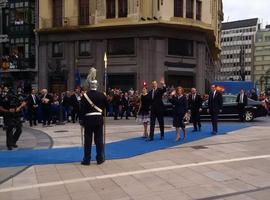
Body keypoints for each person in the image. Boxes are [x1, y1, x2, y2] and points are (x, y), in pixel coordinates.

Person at [80, 67, 108, 165]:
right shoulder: (102, 95)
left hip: (88, 120)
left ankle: (86, 159)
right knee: (99, 140)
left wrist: (81, 120)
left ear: (90, 85)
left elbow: (81, 109)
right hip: (98, 119)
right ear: (97, 85)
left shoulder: (85, 96)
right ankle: (100, 158)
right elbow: (106, 106)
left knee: (88, 140)